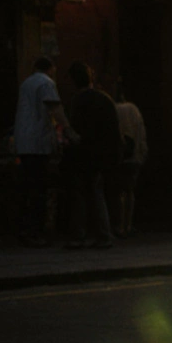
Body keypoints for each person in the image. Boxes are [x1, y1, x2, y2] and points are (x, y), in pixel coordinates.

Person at [14, 57, 75, 246]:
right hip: (38, 141)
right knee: (39, 188)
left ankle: (24, 229)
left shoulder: (26, 84)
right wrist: (68, 130)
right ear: (51, 69)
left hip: (24, 141)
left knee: (27, 186)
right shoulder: (46, 83)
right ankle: (35, 231)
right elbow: (55, 108)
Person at [63, 62, 120, 249]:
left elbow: (76, 129)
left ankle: (80, 235)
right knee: (97, 194)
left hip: (83, 153)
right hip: (101, 154)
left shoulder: (77, 101)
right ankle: (103, 234)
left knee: (80, 195)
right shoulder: (104, 98)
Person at [112, 87, 148, 238]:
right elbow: (141, 132)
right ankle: (128, 224)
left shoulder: (114, 110)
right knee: (130, 190)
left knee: (120, 190)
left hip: (120, 156)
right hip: (135, 156)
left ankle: (120, 225)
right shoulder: (134, 110)